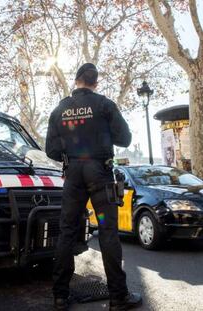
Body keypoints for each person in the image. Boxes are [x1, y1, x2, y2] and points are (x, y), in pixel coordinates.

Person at [45, 63, 142, 311]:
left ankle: (60, 296)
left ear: (76, 81)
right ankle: (118, 298)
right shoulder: (104, 105)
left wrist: (71, 153)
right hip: (99, 171)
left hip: (74, 173)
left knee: (67, 231)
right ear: (95, 83)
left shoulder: (60, 109)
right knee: (108, 232)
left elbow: (51, 150)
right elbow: (125, 138)